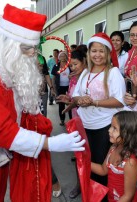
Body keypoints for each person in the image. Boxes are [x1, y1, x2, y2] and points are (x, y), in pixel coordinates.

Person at [0, 4, 85, 202]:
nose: (32, 54)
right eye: (27, 48)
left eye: (34, 48)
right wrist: (50, 143)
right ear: (7, 44)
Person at [73, 32, 126, 188]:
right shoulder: (85, 72)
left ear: (108, 53)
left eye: (101, 51)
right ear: (88, 53)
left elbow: (119, 101)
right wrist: (80, 100)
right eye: (93, 51)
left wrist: (94, 102)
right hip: (84, 126)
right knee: (86, 166)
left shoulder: (113, 72)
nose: (97, 55)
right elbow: (75, 95)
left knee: (100, 171)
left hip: (103, 128)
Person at [91, 111, 137, 202]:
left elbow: (128, 196)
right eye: (111, 126)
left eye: (114, 128)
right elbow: (103, 170)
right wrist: (83, 162)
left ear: (128, 134)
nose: (109, 130)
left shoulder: (129, 163)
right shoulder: (113, 147)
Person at [56, 49, 87, 199]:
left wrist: (73, 102)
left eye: (75, 64)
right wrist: (68, 99)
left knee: (89, 156)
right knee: (79, 155)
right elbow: (75, 98)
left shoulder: (89, 77)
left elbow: (87, 100)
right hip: (76, 120)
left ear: (85, 62)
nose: (72, 67)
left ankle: (90, 185)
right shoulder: (74, 78)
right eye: (71, 65)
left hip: (90, 123)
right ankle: (79, 185)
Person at [51, 51, 72, 126]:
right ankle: (62, 119)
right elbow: (53, 78)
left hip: (69, 87)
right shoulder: (56, 66)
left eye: (64, 56)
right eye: (61, 56)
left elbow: (74, 74)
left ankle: (71, 119)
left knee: (70, 103)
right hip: (60, 87)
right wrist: (53, 87)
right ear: (58, 58)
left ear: (66, 57)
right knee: (61, 104)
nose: (62, 57)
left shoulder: (69, 65)